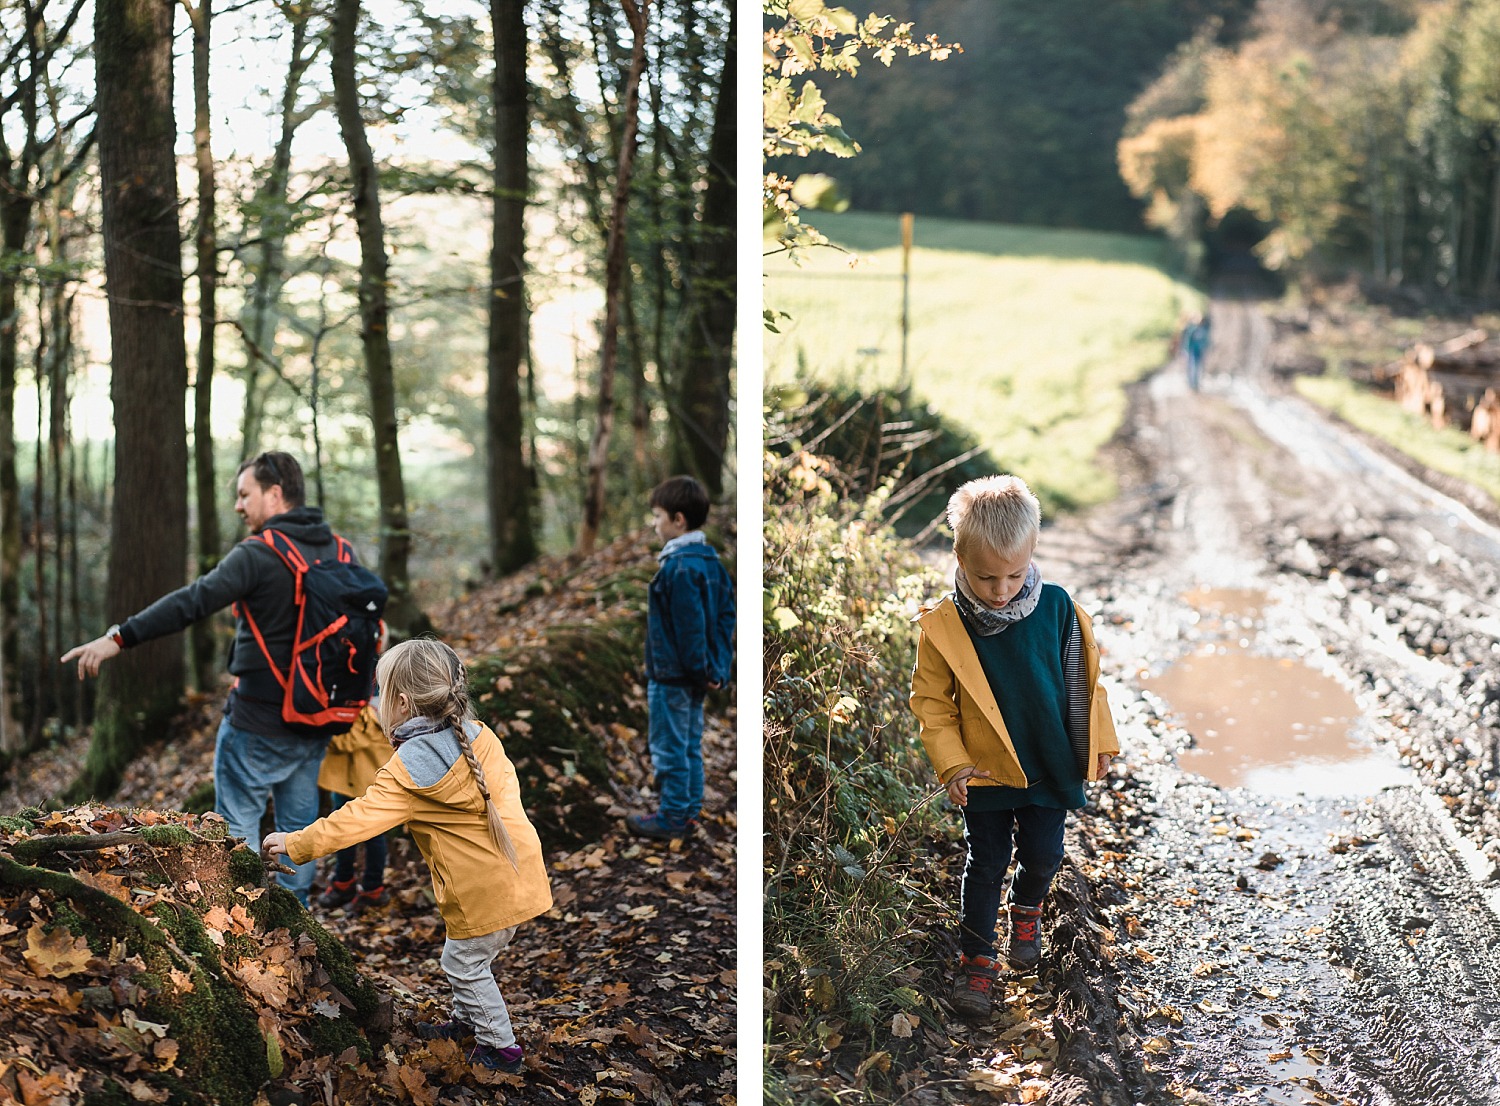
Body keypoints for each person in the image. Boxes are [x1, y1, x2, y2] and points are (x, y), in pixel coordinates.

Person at [61, 451, 375, 907]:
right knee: (300, 829)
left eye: (244, 495)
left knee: (238, 825)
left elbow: (193, 601)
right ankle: (297, 921)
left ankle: (244, 920)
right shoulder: (342, 551)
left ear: (274, 493)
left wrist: (119, 638)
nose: (238, 506)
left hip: (255, 723)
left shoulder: (258, 554)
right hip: (318, 718)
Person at [264, 638, 552, 1075]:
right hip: (520, 871)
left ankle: (501, 1047)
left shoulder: (409, 771)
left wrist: (297, 843)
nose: (376, 702)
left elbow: (358, 819)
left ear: (400, 702)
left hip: (482, 892)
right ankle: (466, 1021)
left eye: (379, 693)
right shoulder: (480, 736)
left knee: (463, 963)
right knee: (469, 960)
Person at [909, 474, 1119, 1020]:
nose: (1000, 591)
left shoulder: (1056, 608)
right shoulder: (945, 626)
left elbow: (1085, 681)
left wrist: (1100, 741)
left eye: (1013, 575)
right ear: (958, 558)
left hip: (1047, 760)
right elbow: (933, 703)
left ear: (1032, 556)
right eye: (985, 578)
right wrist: (952, 763)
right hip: (984, 771)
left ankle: (1027, 908)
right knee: (986, 863)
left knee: (1044, 854)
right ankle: (978, 960)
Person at [625, 475, 736, 840]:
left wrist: (702, 668)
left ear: (678, 520)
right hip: (696, 675)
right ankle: (687, 810)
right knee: (688, 745)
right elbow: (724, 619)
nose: (654, 524)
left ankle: (673, 817)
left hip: (674, 677)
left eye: (657, 516)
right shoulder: (710, 563)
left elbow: (691, 628)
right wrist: (716, 668)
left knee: (670, 748)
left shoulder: (679, 567)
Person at [316, 698, 392, 912]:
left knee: (373, 836)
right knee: (343, 832)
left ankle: (372, 888)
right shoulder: (368, 705)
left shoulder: (367, 711)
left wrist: (321, 722)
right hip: (348, 780)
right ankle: (344, 881)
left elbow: (346, 741)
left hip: (365, 783)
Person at [1183, 313, 1212, 392]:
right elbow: (1188, 341)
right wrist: (1186, 349)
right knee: (1192, 367)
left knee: (1198, 367)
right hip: (1193, 351)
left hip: (1199, 352)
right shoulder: (1193, 330)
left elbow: (1206, 341)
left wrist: (1207, 348)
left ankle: (1196, 383)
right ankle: (1192, 383)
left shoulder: (1204, 330)